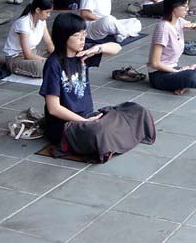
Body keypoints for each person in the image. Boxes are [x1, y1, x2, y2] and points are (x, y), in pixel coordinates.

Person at [39, 13, 155, 160]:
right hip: (66, 126)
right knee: (100, 131)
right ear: (63, 37)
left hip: (89, 117)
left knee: (137, 111)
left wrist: (97, 48)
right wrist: (85, 122)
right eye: (77, 35)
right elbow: (54, 108)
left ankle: (105, 138)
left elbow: (117, 47)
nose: (82, 39)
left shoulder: (83, 52)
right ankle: (104, 138)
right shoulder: (53, 64)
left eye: (84, 34)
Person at [3, 0, 55, 78]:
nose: (48, 15)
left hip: (33, 53)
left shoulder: (42, 21)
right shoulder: (23, 23)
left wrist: (59, 56)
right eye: (47, 12)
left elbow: (49, 43)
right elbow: (27, 54)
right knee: (41, 67)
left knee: (60, 54)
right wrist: (48, 61)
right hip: (16, 58)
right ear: (38, 10)